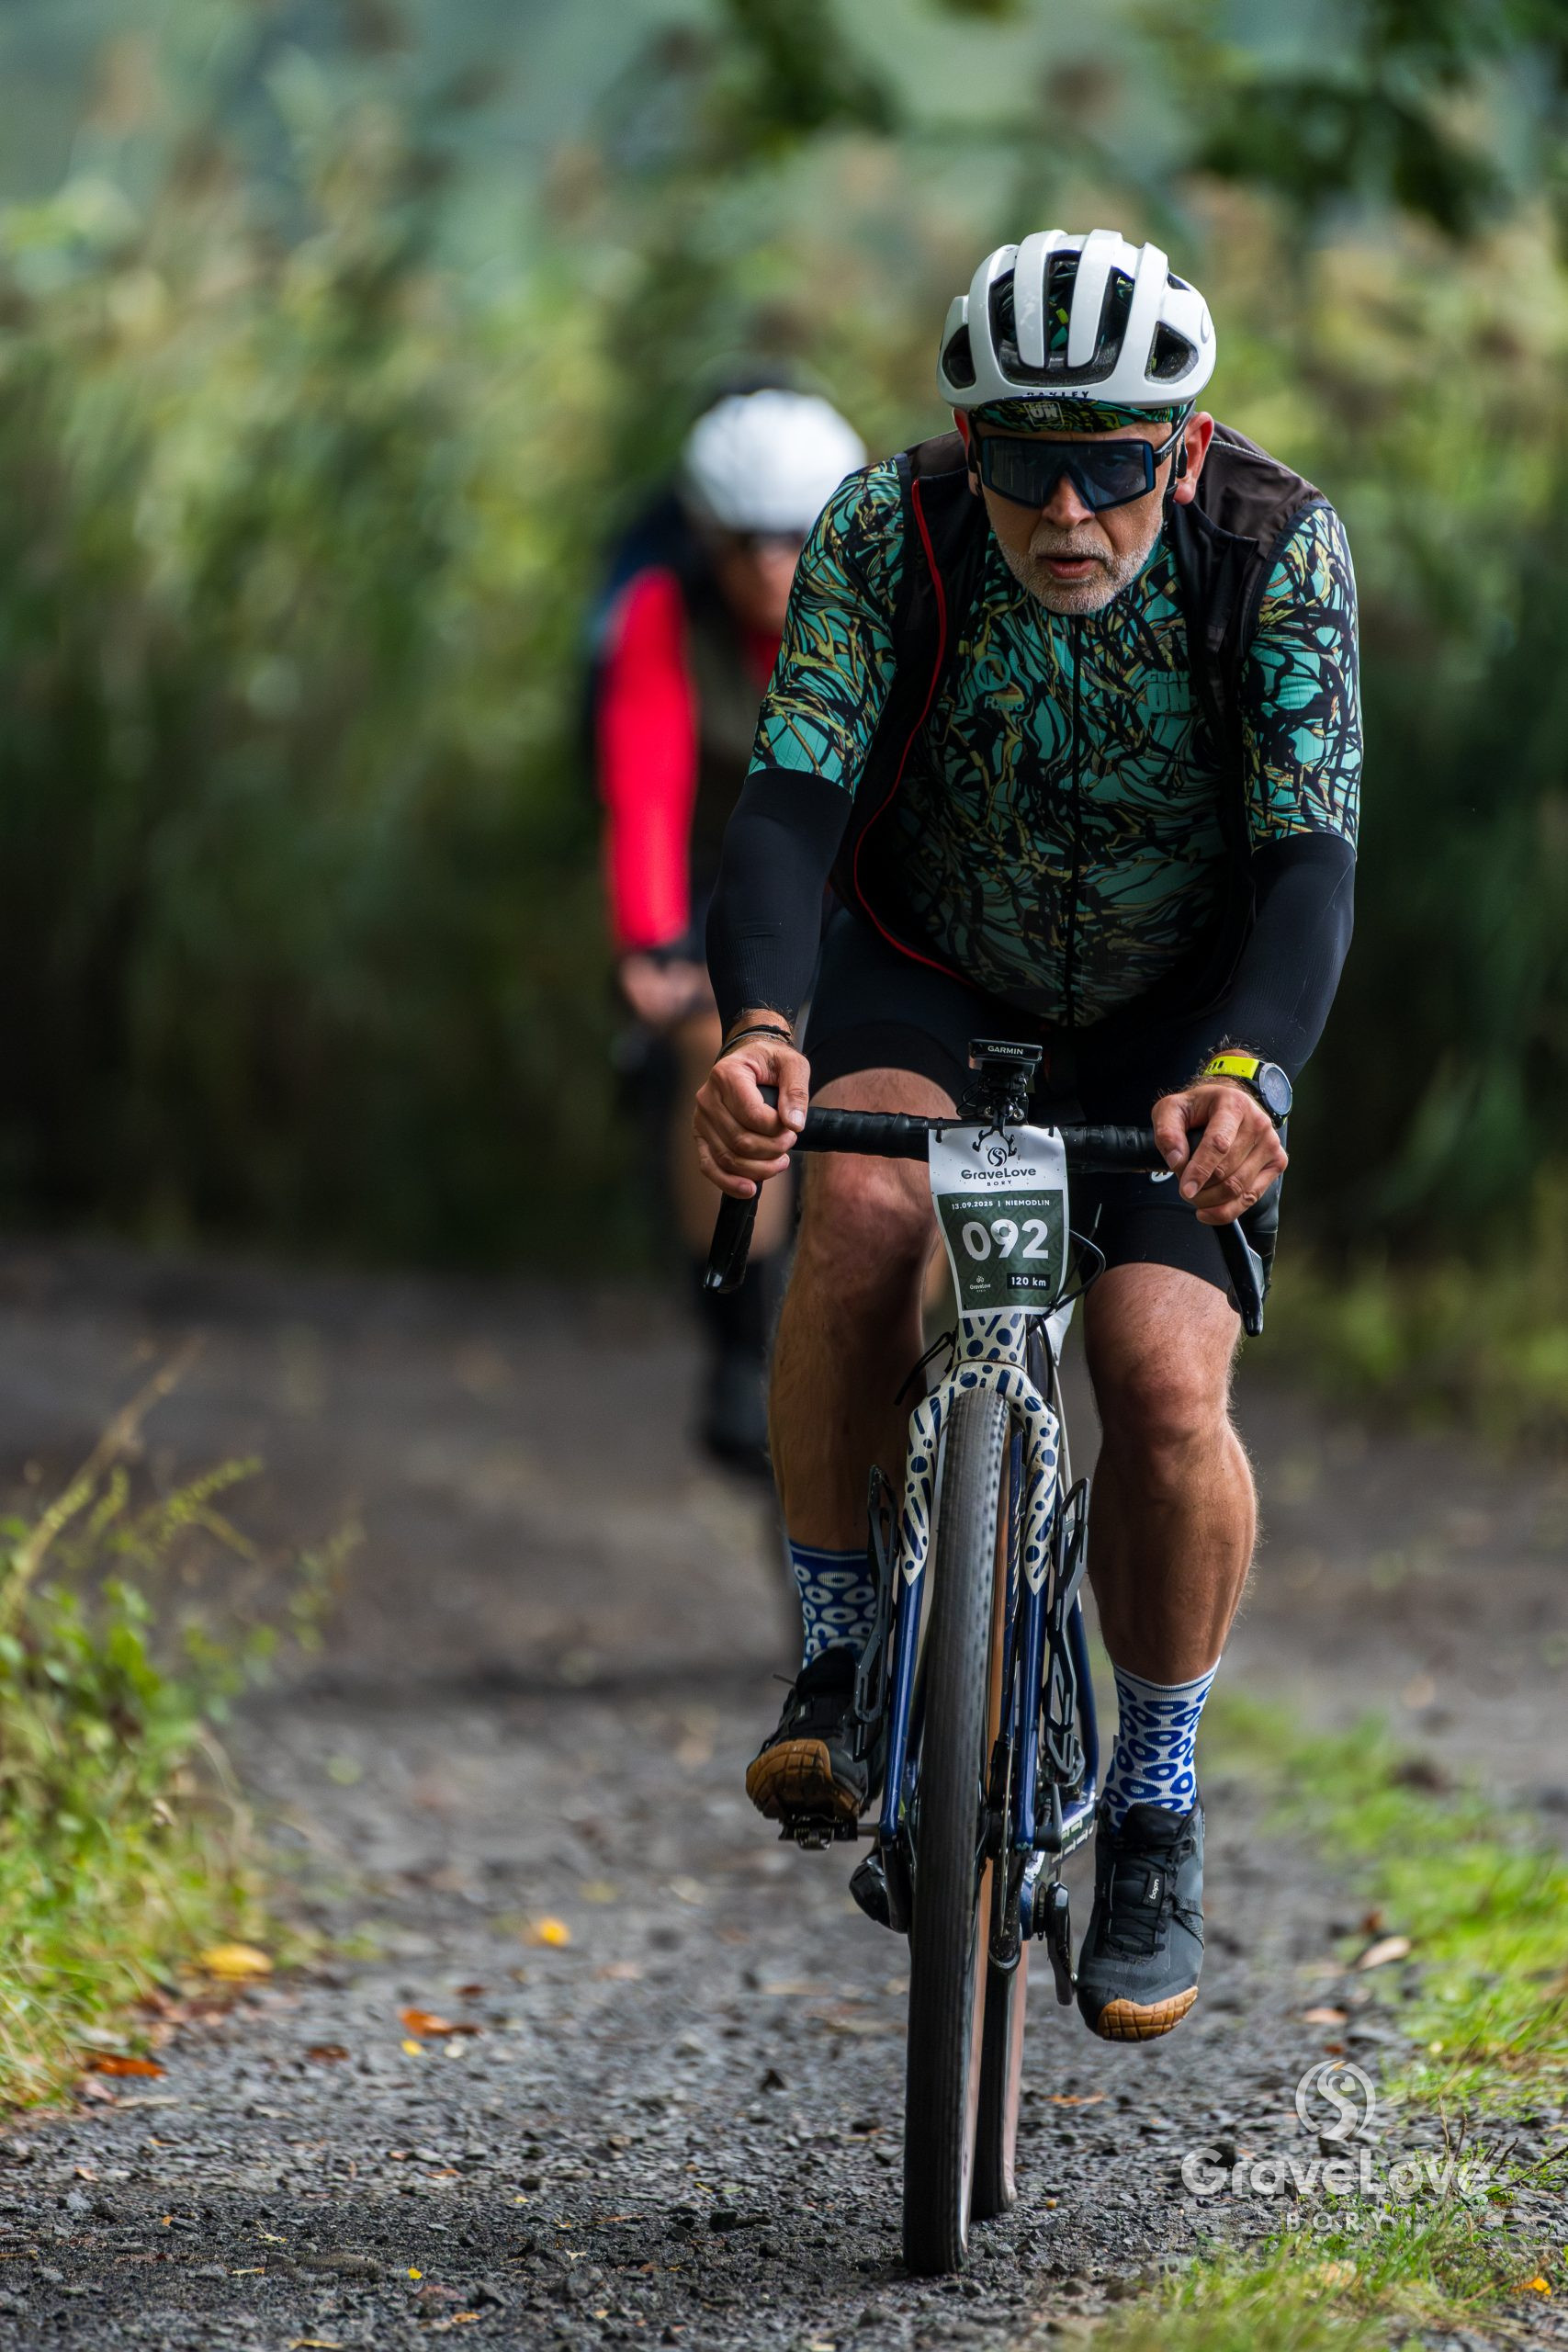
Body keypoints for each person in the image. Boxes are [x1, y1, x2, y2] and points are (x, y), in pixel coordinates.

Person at [694, 230, 1359, 2040]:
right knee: (854, 1221)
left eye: (1113, 465)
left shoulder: (1274, 547)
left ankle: (1153, 1796)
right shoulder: (878, 528)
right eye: (1022, 463)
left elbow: (1310, 863)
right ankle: (838, 1654)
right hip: (927, 967)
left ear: (1185, 447)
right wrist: (761, 1028)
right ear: (965, 442)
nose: (1067, 511)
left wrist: (1254, 1074)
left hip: (1183, 1012)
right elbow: (790, 804)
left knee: (1158, 1375)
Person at [595, 385, 866, 1470]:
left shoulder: (881, 609)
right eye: (745, 542)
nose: (770, 566)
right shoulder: (664, 617)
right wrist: (649, 941)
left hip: (858, 887)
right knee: (719, 1047)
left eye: (795, 538)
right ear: (707, 538)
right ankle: (741, 1340)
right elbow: (645, 788)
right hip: (718, 890)